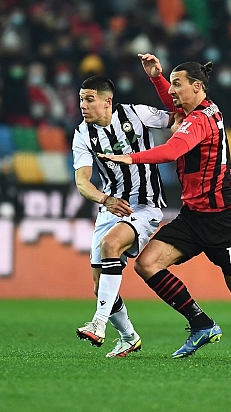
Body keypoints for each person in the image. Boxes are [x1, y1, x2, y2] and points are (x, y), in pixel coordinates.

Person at [98, 54, 231, 360]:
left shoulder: (200, 120)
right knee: (147, 264)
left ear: (197, 87)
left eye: (177, 84)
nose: (171, 91)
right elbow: (175, 106)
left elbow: (172, 150)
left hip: (223, 220)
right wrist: (156, 77)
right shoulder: (197, 110)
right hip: (192, 217)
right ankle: (201, 324)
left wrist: (130, 157)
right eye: (171, 85)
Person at [73, 75, 172, 358]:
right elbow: (82, 182)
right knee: (99, 286)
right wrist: (106, 200)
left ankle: (98, 323)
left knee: (111, 245)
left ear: (108, 101)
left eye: (89, 99)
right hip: (110, 206)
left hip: (145, 205)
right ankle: (129, 337)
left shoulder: (137, 114)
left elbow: (178, 118)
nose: (83, 105)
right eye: (81, 100)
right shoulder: (83, 134)